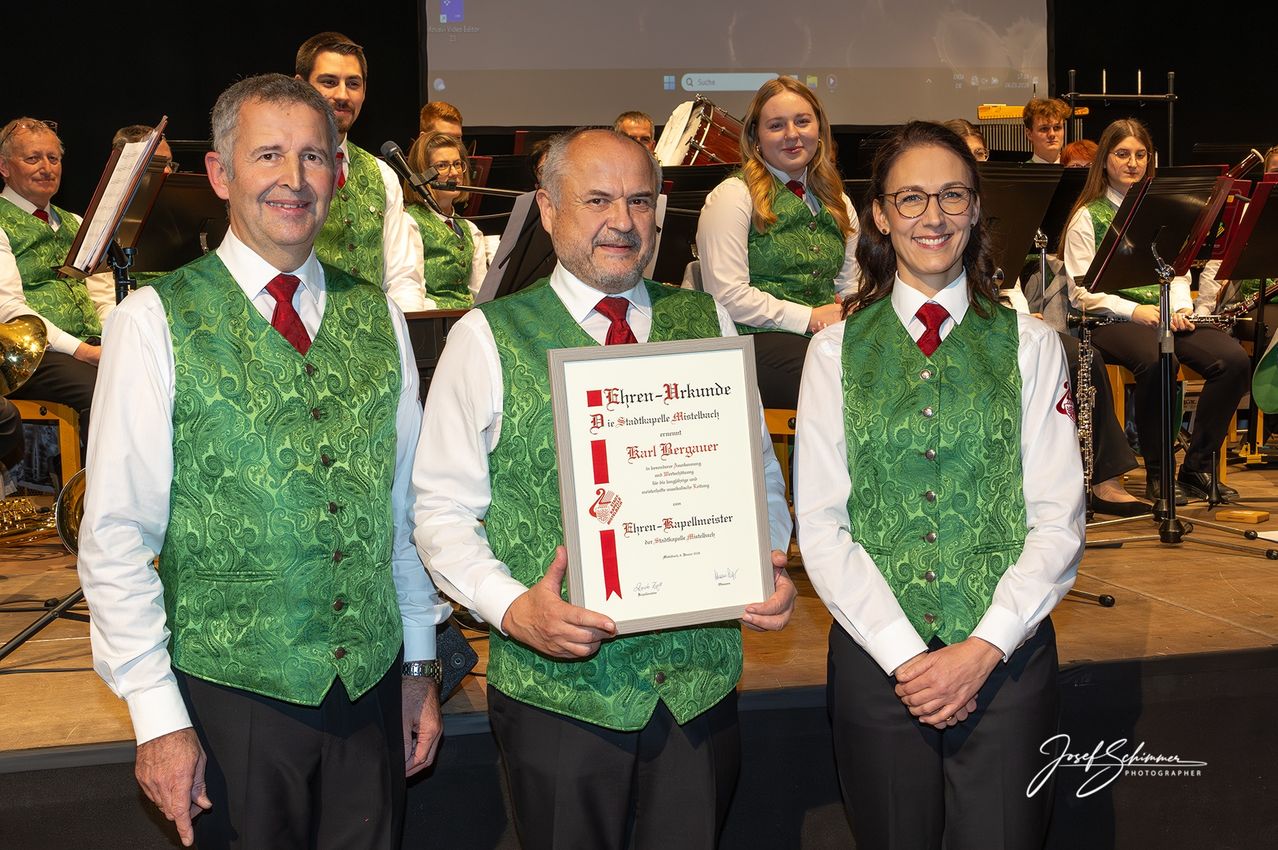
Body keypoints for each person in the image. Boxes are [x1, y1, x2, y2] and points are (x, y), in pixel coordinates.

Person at [77, 74, 451, 849]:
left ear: (338, 176)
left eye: (314, 157)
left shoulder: (377, 314)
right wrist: (156, 717)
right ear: (220, 174)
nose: (294, 179)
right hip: (231, 698)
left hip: (371, 689)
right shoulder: (153, 322)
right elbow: (114, 535)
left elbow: (404, 513)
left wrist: (420, 665)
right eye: (269, 155)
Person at [413, 127, 797, 850]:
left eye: (639, 201)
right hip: (562, 702)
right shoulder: (487, 336)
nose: (622, 222)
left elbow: (758, 475)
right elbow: (438, 511)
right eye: (597, 200)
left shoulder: (705, 320)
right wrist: (511, 608)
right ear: (549, 209)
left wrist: (764, 563)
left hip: (697, 692)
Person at [796, 119, 1085, 850]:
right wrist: (905, 655)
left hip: (1006, 660)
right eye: (913, 198)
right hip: (877, 664)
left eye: (953, 196)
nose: (934, 216)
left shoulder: (1032, 344)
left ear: (977, 209)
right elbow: (823, 526)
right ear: (881, 217)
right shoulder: (832, 353)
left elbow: (1058, 522)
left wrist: (981, 648)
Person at [944, 120, 1146, 515]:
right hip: (953, 325)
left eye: (981, 156)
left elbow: (1008, 280)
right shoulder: (937, 213)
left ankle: (1103, 480)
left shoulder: (1000, 211)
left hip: (1001, 316)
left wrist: (1022, 316)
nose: (978, 165)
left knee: (1081, 356)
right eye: (967, 158)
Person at [1061, 118, 1250, 503]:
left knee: (1231, 360)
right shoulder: (1088, 215)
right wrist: (1137, 311)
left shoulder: (1164, 211)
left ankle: (1197, 467)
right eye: (1122, 154)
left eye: (1140, 155)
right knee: (1155, 359)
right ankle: (1159, 474)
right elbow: (1080, 293)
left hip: (1163, 315)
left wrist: (1179, 308)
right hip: (1109, 319)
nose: (1132, 163)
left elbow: (1178, 272)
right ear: (1106, 161)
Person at [696, 76, 859, 409]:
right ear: (756, 137)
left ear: (819, 129)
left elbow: (851, 281)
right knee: (831, 380)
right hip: (751, 340)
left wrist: (852, 311)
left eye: (802, 122)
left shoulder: (837, 200)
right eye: (776, 125)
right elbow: (727, 296)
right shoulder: (733, 197)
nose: (792, 135)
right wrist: (810, 317)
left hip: (824, 336)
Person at [296, 31, 433, 312]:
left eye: (353, 84)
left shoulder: (382, 174)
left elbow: (403, 276)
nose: (342, 95)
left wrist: (403, 338)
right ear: (300, 87)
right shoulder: (276, 169)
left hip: (374, 337)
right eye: (329, 82)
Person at [0, 117, 113, 439]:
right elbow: (8, 308)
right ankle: (89, 489)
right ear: (5, 167)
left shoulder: (76, 222)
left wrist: (111, 339)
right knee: (106, 394)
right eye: (32, 158)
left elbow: (102, 293)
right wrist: (82, 350)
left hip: (89, 345)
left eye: (53, 158)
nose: (46, 167)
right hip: (31, 355)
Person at [402, 131, 488, 308]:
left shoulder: (470, 229)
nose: (455, 172)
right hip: (432, 325)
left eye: (458, 164)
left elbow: (482, 293)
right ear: (422, 174)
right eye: (442, 166)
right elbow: (409, 291)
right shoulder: (409, 222)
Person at [1023, 97, 1072, 164]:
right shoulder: (1019, 173)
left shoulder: (1077, 171)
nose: (1052, 134)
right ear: (1029, 134)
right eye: (1044, 129)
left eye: (1057, 127)